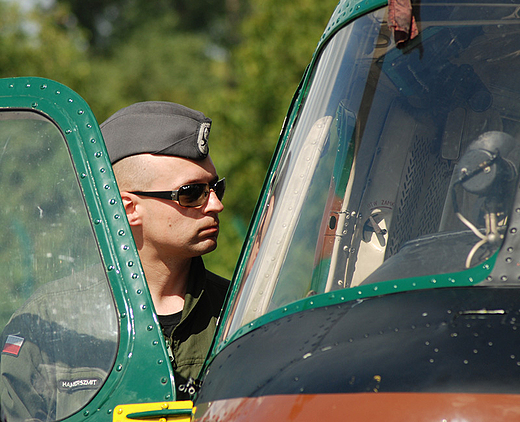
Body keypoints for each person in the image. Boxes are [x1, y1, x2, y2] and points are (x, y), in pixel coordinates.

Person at [100, 101, 229, 397]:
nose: (217, 205)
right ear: (128, 208)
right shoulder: (56, 321)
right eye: (192, 193)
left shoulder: (239, 314)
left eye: (215, 188)